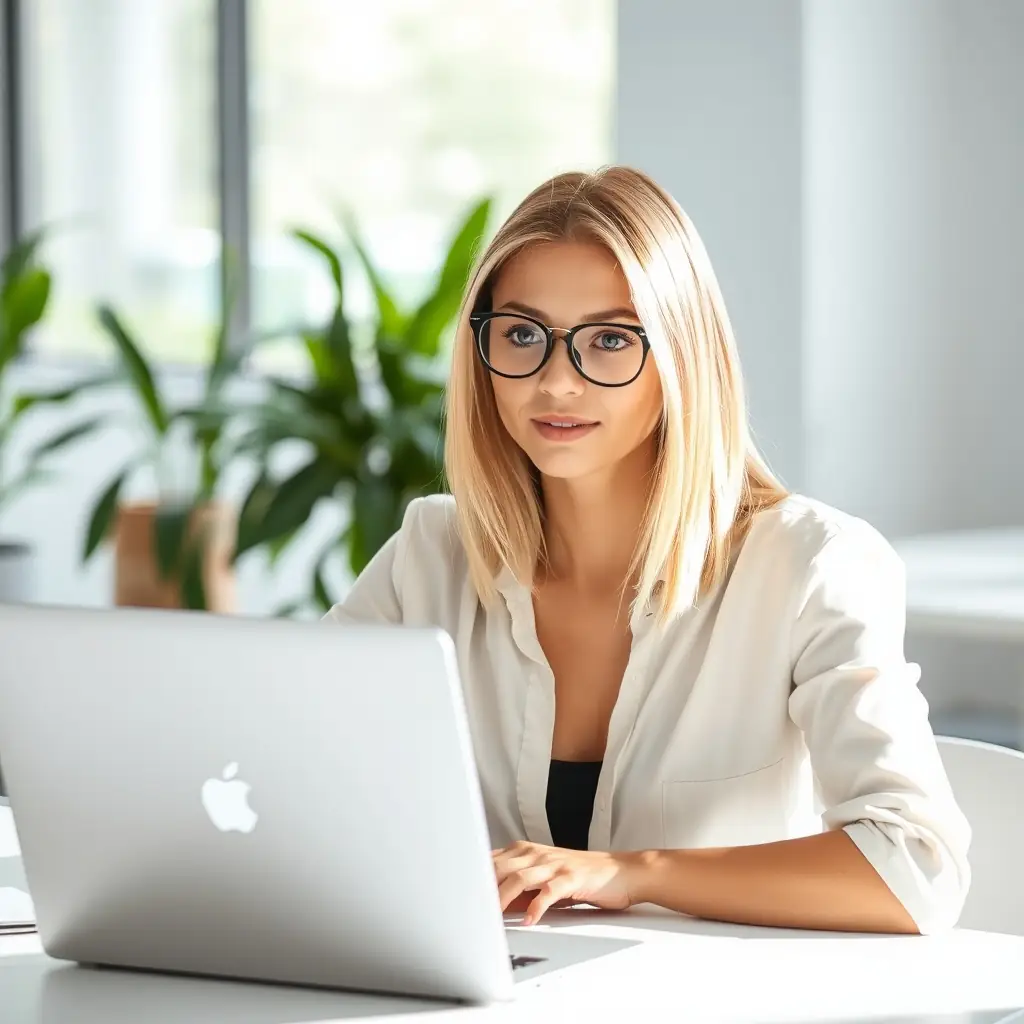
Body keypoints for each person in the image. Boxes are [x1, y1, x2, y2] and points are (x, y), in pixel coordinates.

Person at [326, 165, 970, 935]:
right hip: (489, 985)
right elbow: (283, 768)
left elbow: (916, 868)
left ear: (681, 357)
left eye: (609, 340)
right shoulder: (430, 555)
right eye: (523, 334)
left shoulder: (811, 566)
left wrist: (632, 873)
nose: (556, 383)